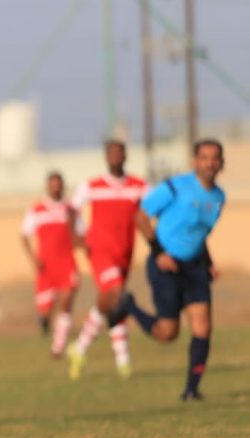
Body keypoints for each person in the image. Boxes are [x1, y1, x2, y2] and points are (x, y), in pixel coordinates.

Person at [108, 139, 225, 401]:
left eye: (215, 158)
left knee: (202, 327)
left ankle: (191, 390)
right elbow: (141, 217)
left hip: (195, 268)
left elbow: (198, 234)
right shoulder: (175, 187)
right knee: (167, 333)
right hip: (166, 266)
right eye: (204, 157)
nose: (209, 163)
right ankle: (129, 306)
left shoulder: (219, 198)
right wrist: (159, 252)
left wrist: (209, 263)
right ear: (195, 161)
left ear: (221, 163)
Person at [67, 140, 147, 380]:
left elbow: (155, 207)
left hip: (125, 252)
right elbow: (71, 209)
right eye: (111, 153)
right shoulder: (92, 186)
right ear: (106, 157)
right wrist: (76, 236)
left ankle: (110, 357)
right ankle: (105, 353)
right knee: (114, 291)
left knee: (116, 301)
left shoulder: (138, 186)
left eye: (119, 152)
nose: (115, 156)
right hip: (100, 249)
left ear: (126, 156)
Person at [20, 171, 81, 357]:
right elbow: (24, 236)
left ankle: (58, 346)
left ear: (63, 186)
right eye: (52, 184)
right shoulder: (37, 210)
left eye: (58, 184)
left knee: (67, 301)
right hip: (45, 267)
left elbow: (79, 236)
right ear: (47, 187)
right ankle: (44, 320)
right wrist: (34, 259)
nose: (56, 188)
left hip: (67, 263)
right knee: (46, 311)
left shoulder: (71, 209)